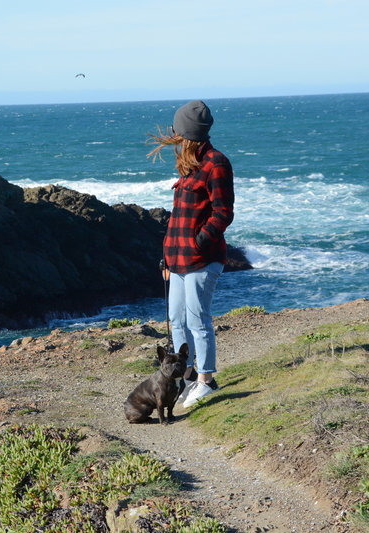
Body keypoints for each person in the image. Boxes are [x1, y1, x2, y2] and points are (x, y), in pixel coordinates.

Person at [148, 100, 234, 408]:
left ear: (187, 133)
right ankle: (185, 379)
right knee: (176, 319)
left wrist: (198, 243)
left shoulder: (217, 163)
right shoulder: (189, 166)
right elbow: (178, 218)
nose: (174, 136)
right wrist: (167, 257)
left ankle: (206, 380)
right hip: (178, 260)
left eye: (177, 130)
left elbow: (223, 214)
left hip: (201, 259)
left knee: (198, 319)